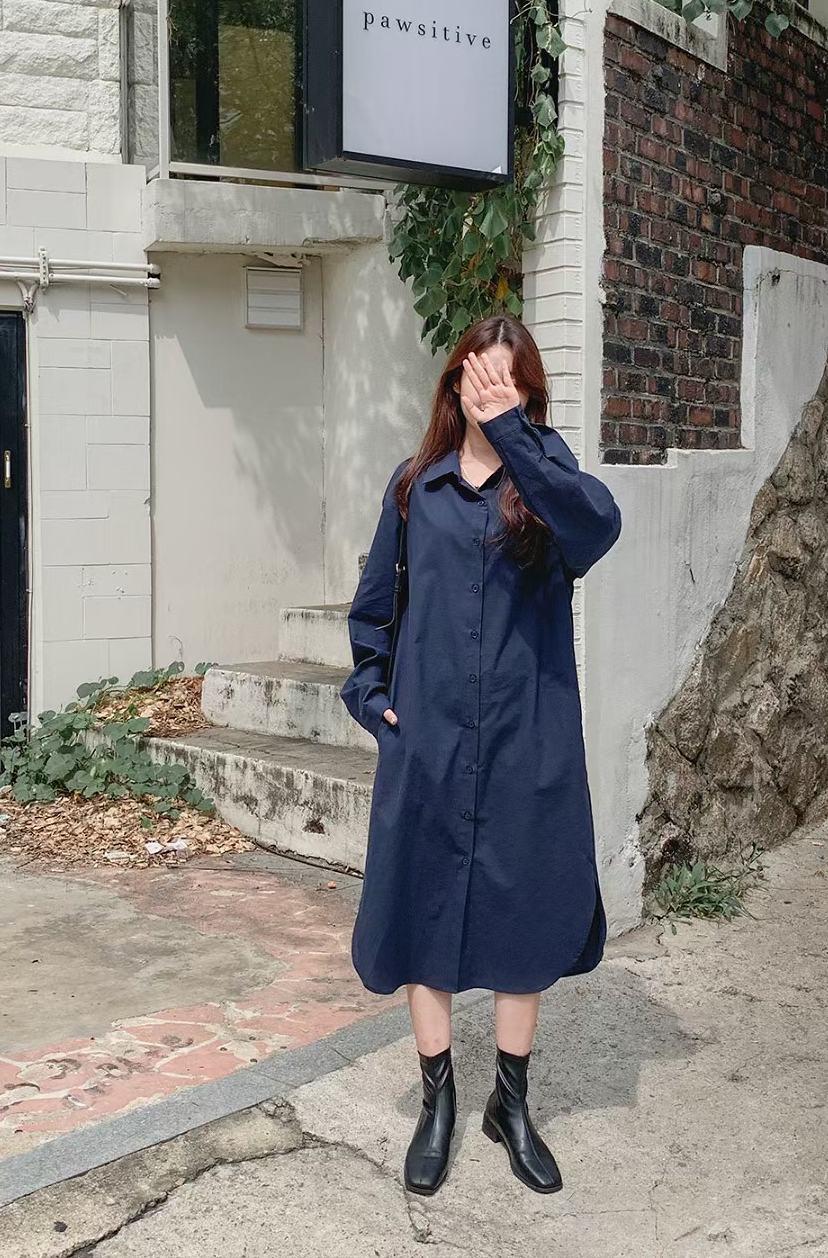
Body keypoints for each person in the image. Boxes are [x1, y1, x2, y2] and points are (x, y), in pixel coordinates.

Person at [339, 315, 622, 1197]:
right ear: (453, 383)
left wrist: (515, 437)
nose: (489, 394)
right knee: (421, 912)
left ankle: (512, 1103)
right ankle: (439, 1101)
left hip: (523, 744)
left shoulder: (549, 487)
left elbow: (598, 529)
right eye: (478, 379)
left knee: (520, 919)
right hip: (427, 743)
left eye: (508, 383)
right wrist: (374, 699)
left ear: (529, 395)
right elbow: (373, 610)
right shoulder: (413, 487)